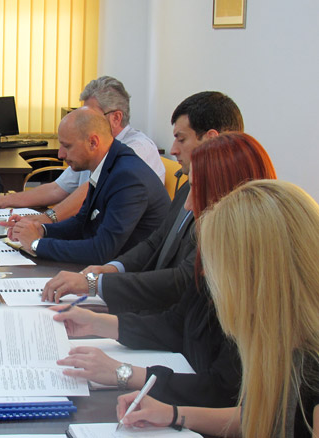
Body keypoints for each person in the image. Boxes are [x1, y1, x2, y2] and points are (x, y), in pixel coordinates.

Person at [51, 132, 277, 409]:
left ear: (231, 197)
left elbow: (224, 390)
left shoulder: (259, 283)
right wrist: (96, 323)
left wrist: (124, 373)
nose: (189, 205)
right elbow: (176, 324)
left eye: (198, 190)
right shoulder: (216, 256)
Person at [117, 180, 319, 438]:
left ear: (256, 277)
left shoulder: (311, 370)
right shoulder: (278, 337)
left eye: (216, 269)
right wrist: (174, 414)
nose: (209, 279)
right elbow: (259, 418)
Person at [42, 91, 244, 313]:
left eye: (181, 139)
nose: (173, 149)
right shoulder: (188, 186)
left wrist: (95, 284)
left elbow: (182, 280)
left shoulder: (233, 209)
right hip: (153, 304)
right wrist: (113, 269)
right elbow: (155, 242)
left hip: (166, 312)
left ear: (211, 139)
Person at [0, 76, 165, 225]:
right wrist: (4, 200)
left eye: (91, 115)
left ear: (116, 118)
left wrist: (45, 220)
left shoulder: (137, 149)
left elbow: (87, 193)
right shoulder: (92, 148)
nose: (84, 121)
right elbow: (57, 188)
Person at [10, 107, 170, 264]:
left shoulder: (127, 177)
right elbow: (82, 223)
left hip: (136, 272)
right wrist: (42, 230)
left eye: (67, 146)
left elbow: (102, 251)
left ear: (93, 142)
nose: (60, 154)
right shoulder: (109, 163)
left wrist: (36, 244)